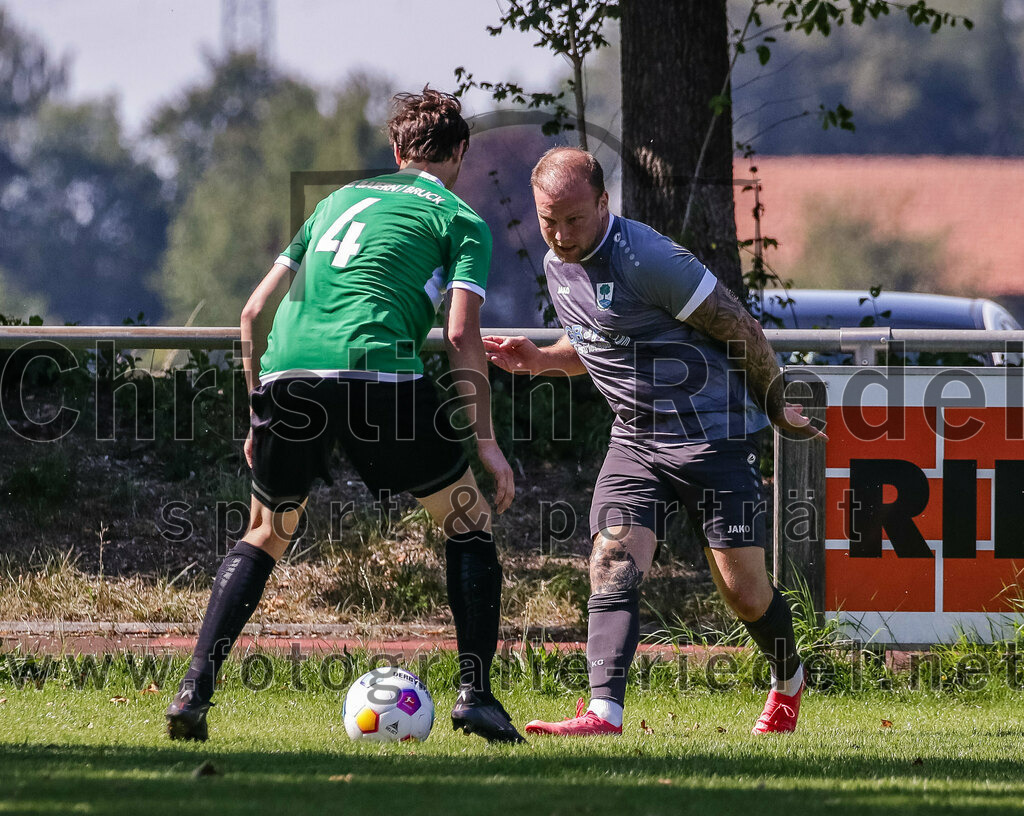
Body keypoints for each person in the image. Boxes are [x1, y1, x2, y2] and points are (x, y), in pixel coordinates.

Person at [166, 88, 524, 744]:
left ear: (395, 152)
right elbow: (463, 334)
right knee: (468, 522)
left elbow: (252, 314)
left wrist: (257, 414)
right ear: (461, 153)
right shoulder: (459, 219)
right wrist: (487, 443)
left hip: (287, 376)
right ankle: (476, 694)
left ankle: (195, 687)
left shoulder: (335, 202)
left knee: (267, 532)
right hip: (378, 373)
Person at [484, 147, 826, 737]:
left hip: (711, 436)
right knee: (611, 562)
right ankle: (602, 713)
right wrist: (542, 359)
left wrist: (777, 408)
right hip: (635, 442)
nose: (561, 235)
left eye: (574, 219)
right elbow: (597, 341)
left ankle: (788, 677)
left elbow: (737, 325)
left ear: (603, 202)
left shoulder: (647, 257)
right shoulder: (557, 263)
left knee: (745, 595)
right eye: (549, 221)